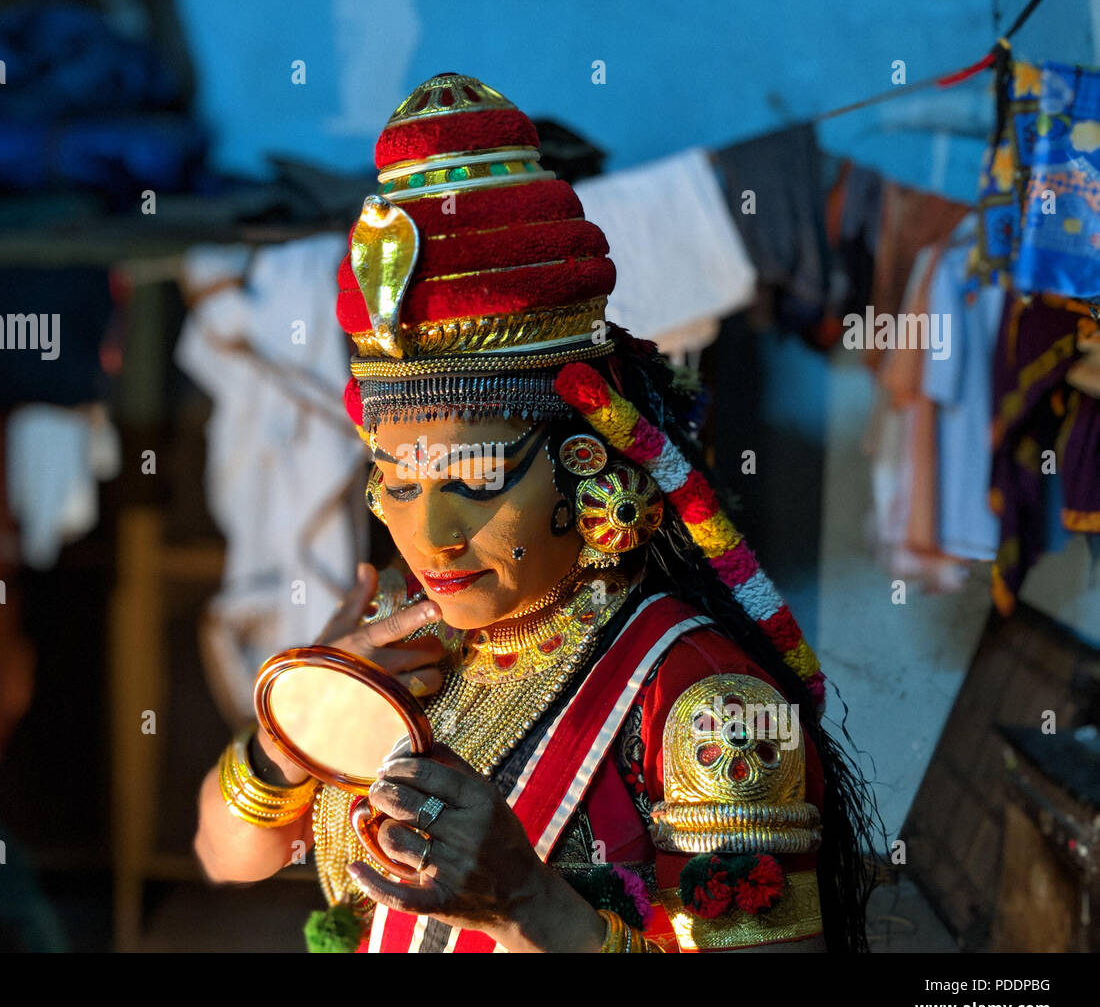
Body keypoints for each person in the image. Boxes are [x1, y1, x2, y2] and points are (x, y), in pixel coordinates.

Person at [194, 73, 878, 952]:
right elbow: (227, 854)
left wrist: (526, 903)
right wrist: (284, 740)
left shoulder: (708, 706)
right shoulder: (413, 645)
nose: (433, 536)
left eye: (476, 478)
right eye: (399, 480)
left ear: (583, 464)